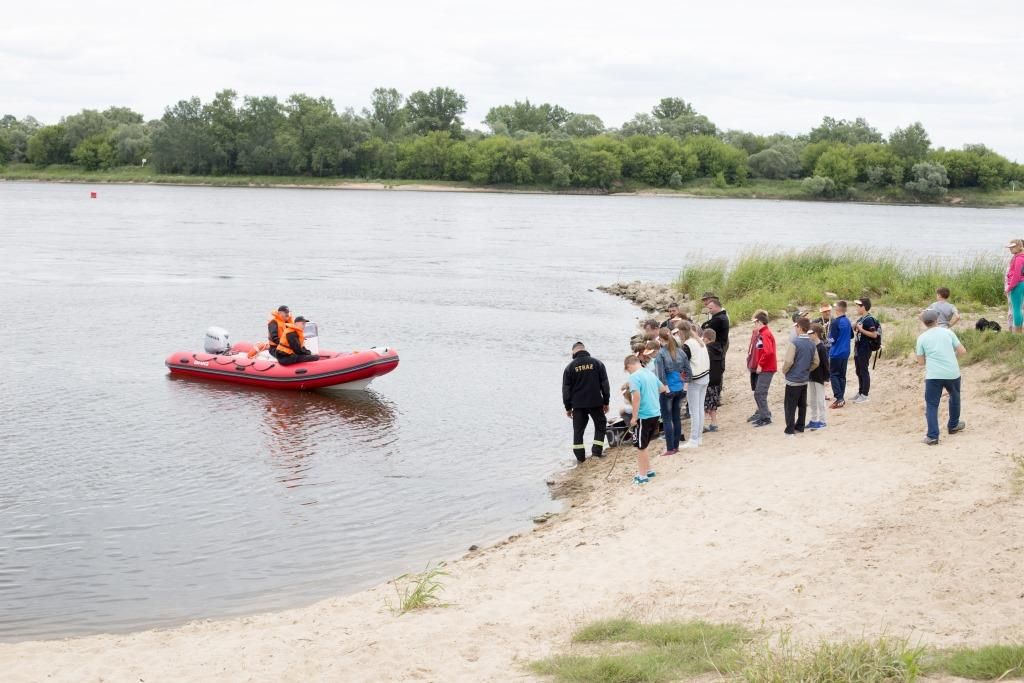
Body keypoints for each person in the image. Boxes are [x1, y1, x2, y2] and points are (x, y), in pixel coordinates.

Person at [915, 309, 967, 445]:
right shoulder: (948, 332)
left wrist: (932, 358)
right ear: (936, 320)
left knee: (932, 405)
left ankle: (932, 436)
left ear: (924, 323)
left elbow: (920, 362)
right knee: (955, 397)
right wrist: (950, 355)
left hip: (933, 375)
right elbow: (962, 351)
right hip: (952, 372)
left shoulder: (922, 338)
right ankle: (953, 425)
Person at [562, 342, 611, 464]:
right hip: (595, 402)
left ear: (573, 352)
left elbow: (566, 390)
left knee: (578, 431)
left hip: (578, 405)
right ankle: (596, 452)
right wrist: (606, 401)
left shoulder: (570, 367)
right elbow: (605, 385)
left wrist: (568, 407)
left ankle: (580, 458)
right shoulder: (597, 363)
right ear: (584, 350)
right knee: (600, 425)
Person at [625, 354, 666, 485]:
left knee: (640, 446)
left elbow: (636, 397)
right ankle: (648, 470)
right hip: (655, 413)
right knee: (645, 444)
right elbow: (662, 388)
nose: (628, 372)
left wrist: (634, 417)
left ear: (629, 366)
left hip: (644, 415)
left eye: (627, 369)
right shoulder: (649, 373)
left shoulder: (634, 377)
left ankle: (642, 476)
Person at [653, 329, 690, 455]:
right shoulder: (680, 352)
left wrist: (666, 389)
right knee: (676, 418)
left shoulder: (661, 354)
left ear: (661, 340)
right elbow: (688, 371)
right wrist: (685, 388)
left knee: (667, 419)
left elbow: (660, 375)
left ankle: (669, 449)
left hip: (668, 390)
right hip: (680, 389)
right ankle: (676, 446)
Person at [781, 317, 820, 436]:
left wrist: (785, 371)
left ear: (800, 327)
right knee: (802, 405)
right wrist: (807, 370)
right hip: (804, 379)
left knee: (790, 406)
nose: (795, 329)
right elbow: (816, 362)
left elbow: (788, 361)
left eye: (796, 327)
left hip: (793, 380)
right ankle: (800, 427)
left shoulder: (795, 343)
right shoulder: (812, 344)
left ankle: (789, 430)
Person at [678, 321, 710, 448]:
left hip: (696, 379)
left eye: (678, 332)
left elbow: (682, 362)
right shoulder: (699, 341)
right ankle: (699, 437)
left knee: (693, 410)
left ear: (682, 331)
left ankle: (693, 439)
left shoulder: (687, 345)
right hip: (705, 376)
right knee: (700, 409)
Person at [750, 312, 777, 427]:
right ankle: (763, 415)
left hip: (767, 367)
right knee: (759, 393)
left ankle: (765, 417)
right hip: (766, 367)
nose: (754, 325)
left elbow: (769, 351)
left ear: (759, 322)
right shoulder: (762, 333)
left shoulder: (765, 334)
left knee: (759, 393)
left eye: (755, 322)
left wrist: (760, 364)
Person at [852, 298, 880, 404]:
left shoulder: (869, 319)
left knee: (863, 371)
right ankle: (860, 392)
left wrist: (861, 330)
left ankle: (865, 394)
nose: (856, 308)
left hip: (865, 349)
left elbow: (874, 334)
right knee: (858, 371)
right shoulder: (861, 319)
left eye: (858, 306)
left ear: (863, 307)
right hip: (858, 348)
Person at [828, 301, 853, 409]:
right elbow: (851, 335)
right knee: (842, 376)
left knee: (833, 375)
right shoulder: (847, 321)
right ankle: (841, 397)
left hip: (836, 352)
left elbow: (831, 340)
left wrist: (826, 338)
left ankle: (839, 398)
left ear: (838, 309)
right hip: (845, 352)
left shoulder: (835, 322)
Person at [807, 323, 830, 430]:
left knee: (820, 400)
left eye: (810, 333)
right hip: (811, 377)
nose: (808, 335)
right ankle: (814, 419)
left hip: (820, 378)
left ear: (815, 334)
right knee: (812, 400)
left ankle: (823, 421)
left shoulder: (822, 348)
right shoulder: (811, 346)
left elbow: (826, 364)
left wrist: (826, 379)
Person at [702, 327, 724, 433]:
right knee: (713, 402)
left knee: (705, 403)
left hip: (708, 379)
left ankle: (704, 424)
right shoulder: (720, 349)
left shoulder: (706, 350)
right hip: (717, 379)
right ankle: (714, 423)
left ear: (706, 338)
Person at [1006, 238, 1024, 334]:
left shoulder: (1019, 258)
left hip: (1018, 285)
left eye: (1013, 247)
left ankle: (1018, 331)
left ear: (1019, 247)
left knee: (1016, 308)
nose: (1010, 249)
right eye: (1010, 247)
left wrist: (1009, 288)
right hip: (1022, 284)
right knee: (1020, 308)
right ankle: (1020, 330)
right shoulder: (1022, 257)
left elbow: (1016, 275)